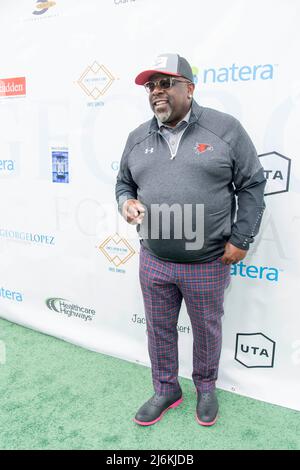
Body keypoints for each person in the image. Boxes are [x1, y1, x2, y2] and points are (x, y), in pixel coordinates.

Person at [115, 53, 266, 427]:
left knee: (206, 330)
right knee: (159, 328)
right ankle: (166, 388)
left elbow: (252, 185)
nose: (156, 92)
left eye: (165, 83)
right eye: (151, 86)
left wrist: (242, 237)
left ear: (189, 88)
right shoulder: (137, 137)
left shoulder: (224, 129)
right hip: (154, 258)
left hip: (208, 260)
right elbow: (124, 183)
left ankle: (206, 388)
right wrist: (126, 202)